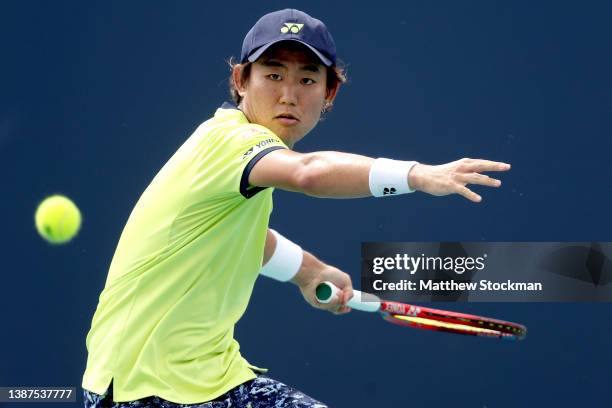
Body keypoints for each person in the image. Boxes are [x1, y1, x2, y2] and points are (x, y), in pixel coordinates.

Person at [82, 8, 510, 408]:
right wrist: (415, 175)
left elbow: (238, 236)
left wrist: (308, 271)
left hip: (200, 377)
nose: (288, 95)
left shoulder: (228, 152)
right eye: (272, 74)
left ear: (330, 92)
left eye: (307, 80)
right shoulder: (232, 142)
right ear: (241, 81)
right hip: (146, 387)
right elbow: (309, 173)